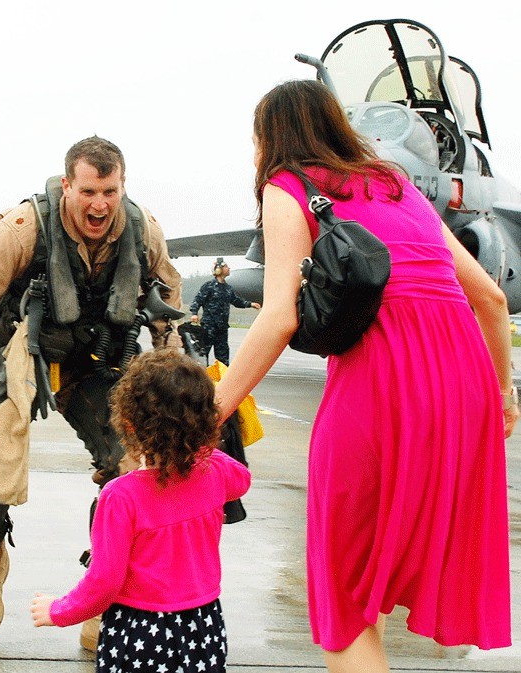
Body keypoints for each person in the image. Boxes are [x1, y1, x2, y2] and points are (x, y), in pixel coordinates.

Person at [212, 79, 519, 672]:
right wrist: (503, 397)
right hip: (462, 391)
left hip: (380, 384)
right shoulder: (397, 184)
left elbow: (277, 318)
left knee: (346, 605)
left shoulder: (288, 186)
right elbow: (491, 300)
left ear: (268, 140)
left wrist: (212, 408)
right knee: (370, 574)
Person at [0, 136, 183, 639]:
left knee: (134, 458)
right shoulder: (23, 230)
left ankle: (102, 584)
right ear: (67, 184)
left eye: (110, 191)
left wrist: (175, 392)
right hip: (20, 350)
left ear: (122, 185)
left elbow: (169, 317)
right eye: (88, 190)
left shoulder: (143, 230)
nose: (100, 204)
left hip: (95, 359)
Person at [30, 348, 251, 673]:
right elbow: (241, 479)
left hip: (140, 632)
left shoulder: (121, 496)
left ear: (129, 424)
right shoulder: (215, 474)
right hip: (203, 628)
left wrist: (59, 610)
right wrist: (201, 441)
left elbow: (104, 581)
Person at [189, 258, 260, 365]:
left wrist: (250, 304)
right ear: (218, 270)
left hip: (222, 328)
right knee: (203, 353)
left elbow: (236, 301)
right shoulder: (209, 286)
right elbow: (198, 300)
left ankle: (222, 379)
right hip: (209, 326)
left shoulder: (228, 288)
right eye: (226, 266)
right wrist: (194, 313)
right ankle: (200, 376)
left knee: (223, 357)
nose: (229, 268)